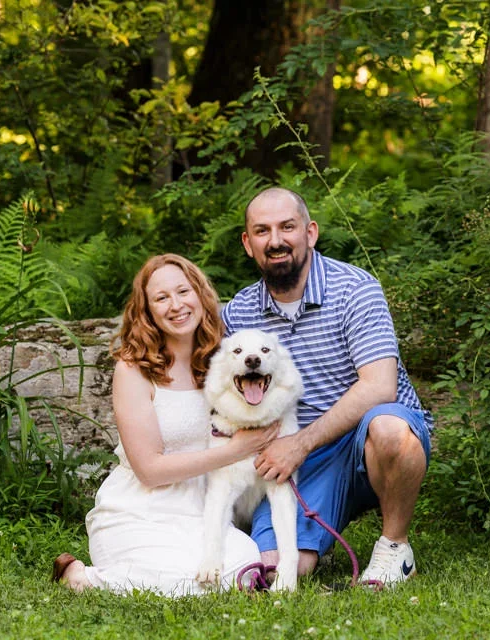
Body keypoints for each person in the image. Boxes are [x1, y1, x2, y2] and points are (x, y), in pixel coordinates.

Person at [221, 187, 433, 587]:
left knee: (389, 430)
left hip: (367, 437)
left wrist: (299, 443)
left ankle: (394, 548)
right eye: (262, 231)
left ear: (311, 232)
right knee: (278, 570)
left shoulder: (355, 289)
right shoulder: (240, 312)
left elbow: (380, 387)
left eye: (288, 227)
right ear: (248, 244)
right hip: (303, 461)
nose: (277, 240)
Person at [52, 254, 279, 596]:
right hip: (138, 510)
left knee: (243, 568)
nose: (176, 305)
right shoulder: (133, 370)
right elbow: (149, 470)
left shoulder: (223, 363)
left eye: (183, 291)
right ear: (147, 311)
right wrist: (235, 450)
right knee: (182, 583)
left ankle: (114, 580)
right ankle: (80, 577)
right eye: (161, 298)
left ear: (200, 295)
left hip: (201, 512)